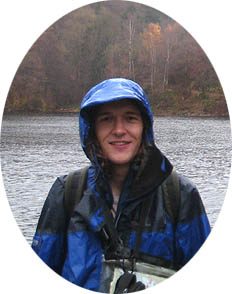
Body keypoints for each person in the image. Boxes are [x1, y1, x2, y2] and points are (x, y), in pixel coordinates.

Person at [32, 78, 210, 292]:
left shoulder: (180, 195)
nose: (119, 130)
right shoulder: (67, 192)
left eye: (130, 118)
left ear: (144, 127)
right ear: (92, 130)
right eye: (107, 119)